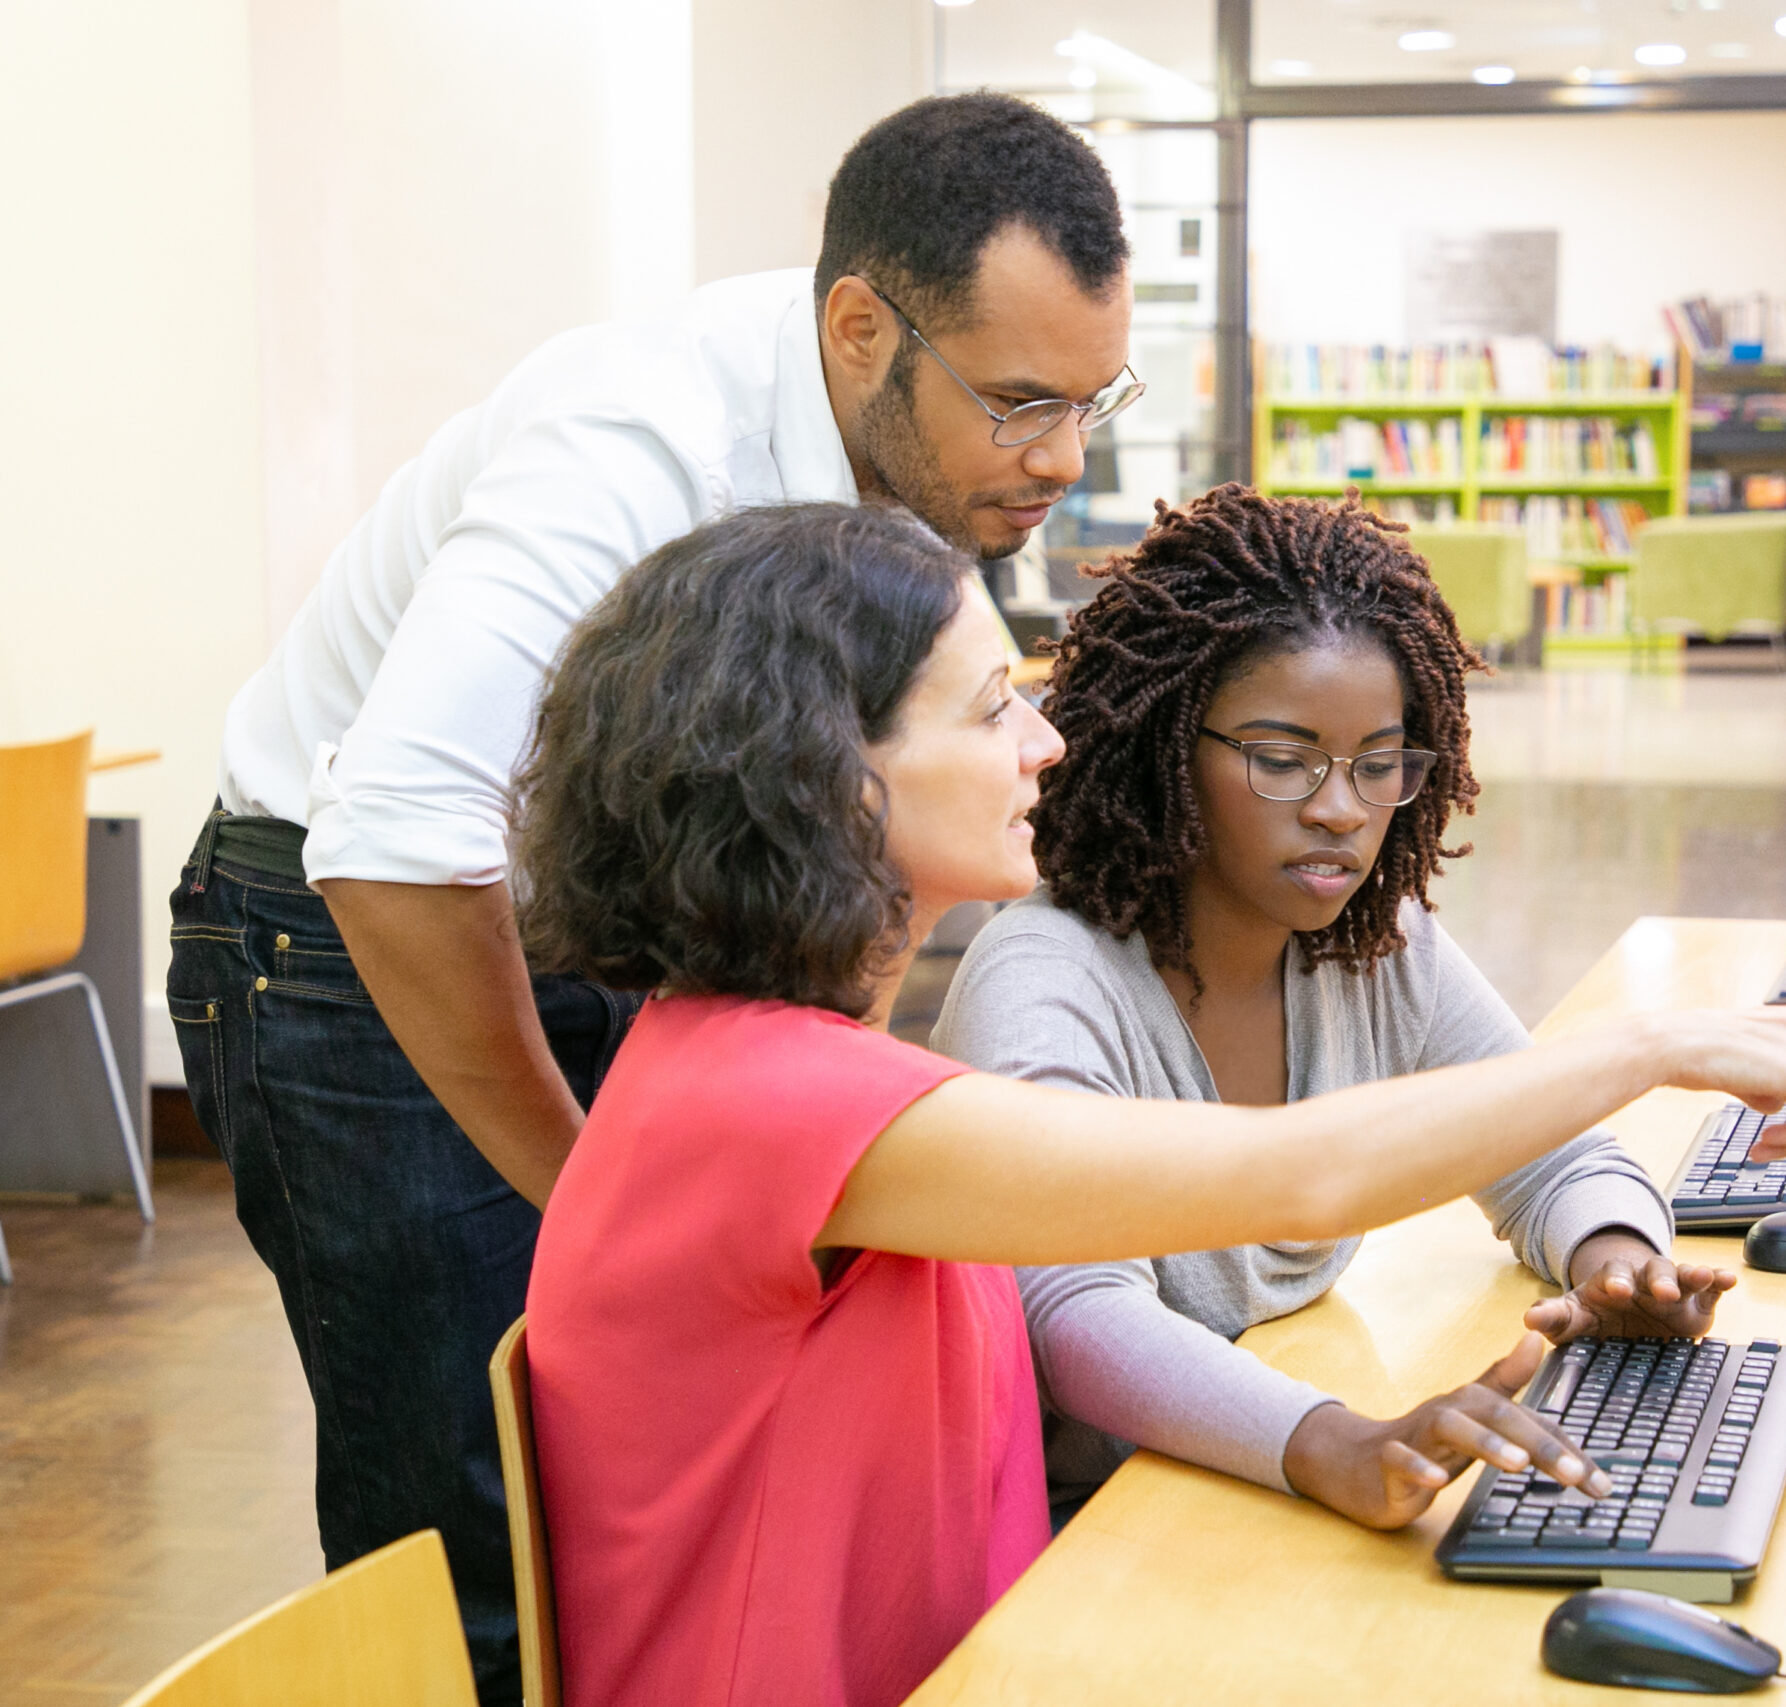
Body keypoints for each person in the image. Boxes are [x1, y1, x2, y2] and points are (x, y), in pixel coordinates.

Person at [515, 502, 1786, 1707]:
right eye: (994, 705)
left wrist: (1593, 1232)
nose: (1047, 740)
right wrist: (1647, 1045)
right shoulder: (774, 1098)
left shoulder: (765, 1058)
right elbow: (1297, 1178)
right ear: (829, 769)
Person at [164, 92, 1140, 1699]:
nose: (1062, 458)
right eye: (1023, 402)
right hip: (341, 931)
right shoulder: (635, 438)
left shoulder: (925, 460)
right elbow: (395, 836)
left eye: (1094, 400)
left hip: (576, 905)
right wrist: (593, 1190)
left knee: (660, 1455)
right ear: (857, 329)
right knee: (485, 1516)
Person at [931, 485, 1760, 1528]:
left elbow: (1549, 1151)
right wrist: (1332, 1442)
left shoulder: (1373, 940)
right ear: (1162, 749)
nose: (1340, 810)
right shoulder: (1045, 977)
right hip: (1091, 1529)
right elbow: (1073, 1312)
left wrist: (1618, 1264)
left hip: (1262, 1489)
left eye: (1380, 767)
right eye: (1284, 762)